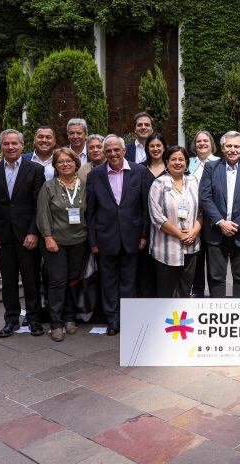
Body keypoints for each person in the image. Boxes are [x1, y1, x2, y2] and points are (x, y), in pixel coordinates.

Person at [0, 129, 46, 338]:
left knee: (32, 280)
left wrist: (34, 232)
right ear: (1, 146)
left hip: (27, 235)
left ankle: (34, 319)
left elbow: (39, 205)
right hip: (2, 236)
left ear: (22, 146)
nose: (10, 147)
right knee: (7, 281)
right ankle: (11, 320)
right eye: (6, 143)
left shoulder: (35, 170)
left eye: (14, 143)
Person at [86, 135, 150, 335]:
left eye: (116, 150)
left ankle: (128, 318)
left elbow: (145, 207)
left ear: (124, 151)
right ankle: (112, 319)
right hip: (106, 237)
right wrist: (93, 240)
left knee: (129, 281)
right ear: (104, 153)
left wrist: (144, 235)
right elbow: (91, 210)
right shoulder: (95, 175)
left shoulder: (139, 171)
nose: (112, 154)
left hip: (132, 237)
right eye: (108, 151)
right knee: (108, 281)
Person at [199, 131, 240, 298]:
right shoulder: (211, 167)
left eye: (236, 146)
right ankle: (217, 315)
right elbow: (205, 197)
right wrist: (220, 222)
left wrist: (236, 225)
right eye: (229, 146)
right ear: (222, 148)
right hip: (216, 232)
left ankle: (239, 315)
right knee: (216, 277)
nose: (232, 149)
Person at [37, 148, 88, 342]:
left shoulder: (84, 185)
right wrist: (48, 237)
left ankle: (69, 317)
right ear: (55, 166)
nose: (65, 164)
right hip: (55, 242)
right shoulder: (49, 187)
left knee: (72, 280)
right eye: (60, 162)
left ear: (76, 163)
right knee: (57, 281)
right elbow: (42, 214)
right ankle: (56, 323)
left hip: (79, 241)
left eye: (69, 161)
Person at [149, 146, 203, 297]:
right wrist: (181, 235)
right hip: (166, 249)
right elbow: (156, 217)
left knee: (185, 290)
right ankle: (166, 321)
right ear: (166, 162)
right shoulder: (158, 184)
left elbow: (202, 212)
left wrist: (193, 232)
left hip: (191, 247)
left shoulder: (194, 181)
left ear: (186, 162)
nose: (177, 162)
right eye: (173, 159)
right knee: (166, 292)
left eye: (181, 159)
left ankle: (182, 321)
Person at [188, 130, 220, 298]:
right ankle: (197, 290)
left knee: (214, 257)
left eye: (205, 140)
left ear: (211, 143)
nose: (202, 143)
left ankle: (215, 293)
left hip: (213, 217)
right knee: (196, 256)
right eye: (198, 141)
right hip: (193, 217)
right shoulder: (189, 163)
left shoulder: (219, 162)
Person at [139, 132, 168, 297]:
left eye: (159, 145)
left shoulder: (171, 167)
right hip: (145, 223)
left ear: (164, 147)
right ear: (147, 148)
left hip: (167, 225)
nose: (156, 149)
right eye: (152, 146)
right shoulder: (140, 169)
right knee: (145, 269)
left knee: (164, 269)